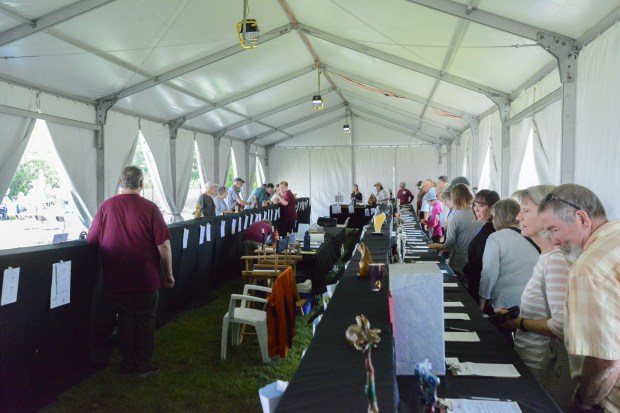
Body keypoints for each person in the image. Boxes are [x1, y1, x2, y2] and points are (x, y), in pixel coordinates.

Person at [539, 184, 620, 413]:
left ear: (582, 219)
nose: (553, 241)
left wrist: (582, 402)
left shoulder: (587, 269)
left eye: (554, 229)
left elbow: (605, 360)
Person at [87, 166, 174, 378]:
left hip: (117, 277)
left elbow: (91, 240)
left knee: (125, 318)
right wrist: (168, 273)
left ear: (120, 182)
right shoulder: (150, 208)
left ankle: (127, 363)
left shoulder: (106, 206)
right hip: (146, 277)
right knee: (145, 319)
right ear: (142, 184)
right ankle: (142, 364)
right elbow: (163, 245)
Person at [495, 184, 573, 411]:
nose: (518, 217)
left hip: (542, 368)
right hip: (531, 359)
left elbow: (561, 325)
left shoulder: (557, 261)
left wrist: (517, 323)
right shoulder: (546, 256)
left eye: (526, 211)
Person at [479, 198, 539, 312]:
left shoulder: (496, 238)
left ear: (500, 217)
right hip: (532, 301)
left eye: (494, 217)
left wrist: (482, 299)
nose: (493, 221)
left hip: (506, 303)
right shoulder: (532, 234)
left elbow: (489, 274)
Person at [428, 184, 482, 277]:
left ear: (456, 199)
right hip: (478, 261)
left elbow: (449, 245)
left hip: (461, 262)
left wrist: (433, 246)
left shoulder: (455, 218)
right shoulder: (480, 215)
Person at [461, 189, 500, 301]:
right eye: (475, 205)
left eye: (481, 206)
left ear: (493, 208)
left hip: (480, 286)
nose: (476, 209)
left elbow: (481, 261)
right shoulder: (485, 227)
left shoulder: (490, 228)